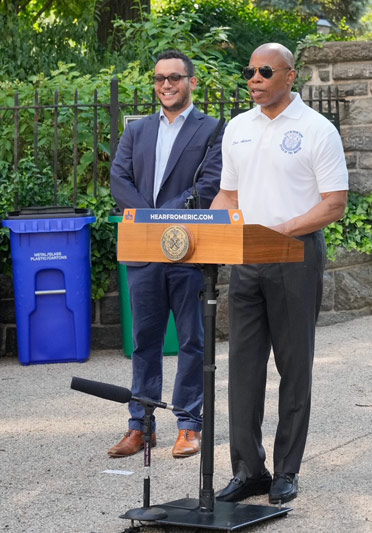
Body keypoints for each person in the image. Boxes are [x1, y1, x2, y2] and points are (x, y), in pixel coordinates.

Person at [210, 43, 349, 505]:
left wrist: (278, 232)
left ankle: (287, 470)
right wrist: (206, 230)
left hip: (295, 255)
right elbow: (228, 196)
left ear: (290, 76)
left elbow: (334, 203)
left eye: (264, 70)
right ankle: (249, 469)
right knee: (243, 368)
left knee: (294, 367)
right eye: (249, 71)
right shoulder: (236, 128)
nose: (254, 78)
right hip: (246, 259)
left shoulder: (317, 129)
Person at [108, 50, 223, 459]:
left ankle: (190, 425)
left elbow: (210, 185)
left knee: (193, 340)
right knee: (145, 341)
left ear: (192, 82)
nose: (166, 85)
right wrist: (147, 219)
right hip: (144, 251)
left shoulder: (212, 129)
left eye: (175, 77)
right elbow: (118, 178)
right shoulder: (137, 130)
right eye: (159, 78)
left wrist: (160, 218)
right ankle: (141, 425)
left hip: (190, 249)